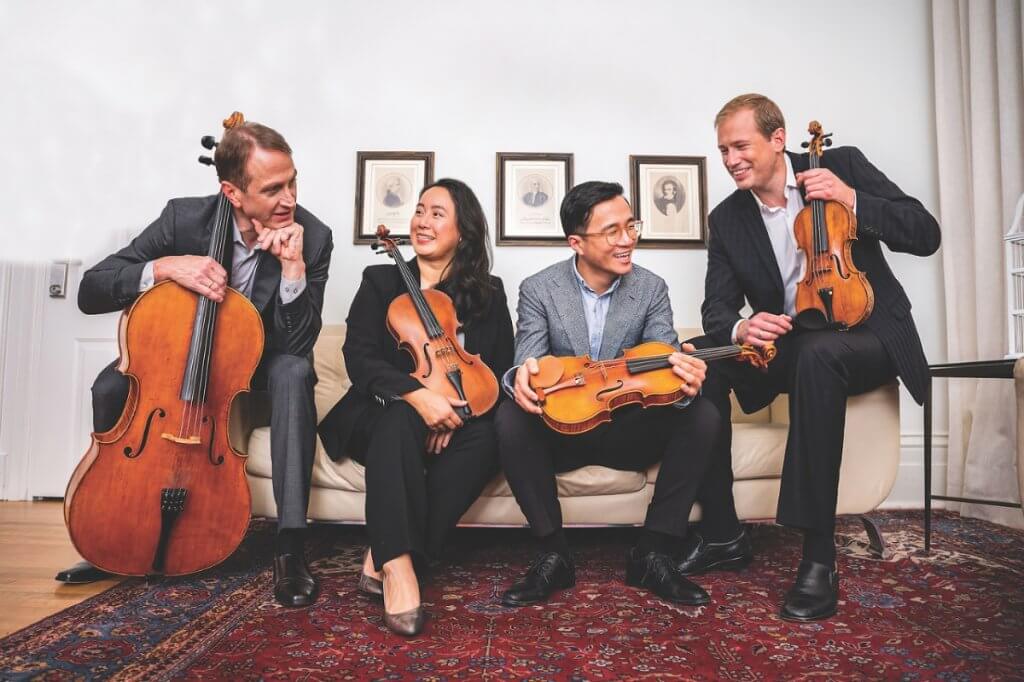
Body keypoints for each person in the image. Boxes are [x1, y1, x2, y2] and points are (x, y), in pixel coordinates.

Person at [688, 93, 940, 622]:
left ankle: (819, 557)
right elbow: (716, 307)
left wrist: (852, 199)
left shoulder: (840, 165)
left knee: (818, 354)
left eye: (741, 146)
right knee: (701, 358)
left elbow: (925, 233)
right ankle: (723, 535)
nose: (731, 159)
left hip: (869, 335)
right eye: (723, 150)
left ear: (778, 139)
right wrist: (741, 326)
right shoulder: (728, 218)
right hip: (795, 339)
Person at [62, 120, 334, 609]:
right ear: (232, 192)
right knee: (111, 386)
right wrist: (164, 267)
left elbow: (298, 342)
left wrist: (293, 269)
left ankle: (291, 545)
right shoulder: (183, 220)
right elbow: (92, 289)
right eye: (273, 189)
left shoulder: (312, 236)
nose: (289, 198)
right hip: (181, 360)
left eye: (292, 182)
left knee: (295, 370)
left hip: (258, 366)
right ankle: (112, 535)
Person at [495, 181, 721, 607]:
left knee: (703, 412)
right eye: (611, 231)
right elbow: (528, 360)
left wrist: (685, 381)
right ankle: (553, 554)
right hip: (562, 431)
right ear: (576, 243)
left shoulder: (651, 287)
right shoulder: (539, 288)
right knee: (509, 417)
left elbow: (663, 358)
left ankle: (653, 553)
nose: (627, 239)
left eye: (631, 226)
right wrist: (519, 378)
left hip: (625, 430)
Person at [318, 178, 513, 636]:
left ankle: (380, 553)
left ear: (463, 231)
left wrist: (454, 416)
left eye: (437, 214)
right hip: (378, 413)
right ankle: (401, 568)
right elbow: (359, 357)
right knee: (402, 416)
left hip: (455, 419)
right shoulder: (380, 280)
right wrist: (418, 396)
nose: (423, 221)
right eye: (420, 210)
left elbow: (497, 366)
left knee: (491, 437)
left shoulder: (488, 291)